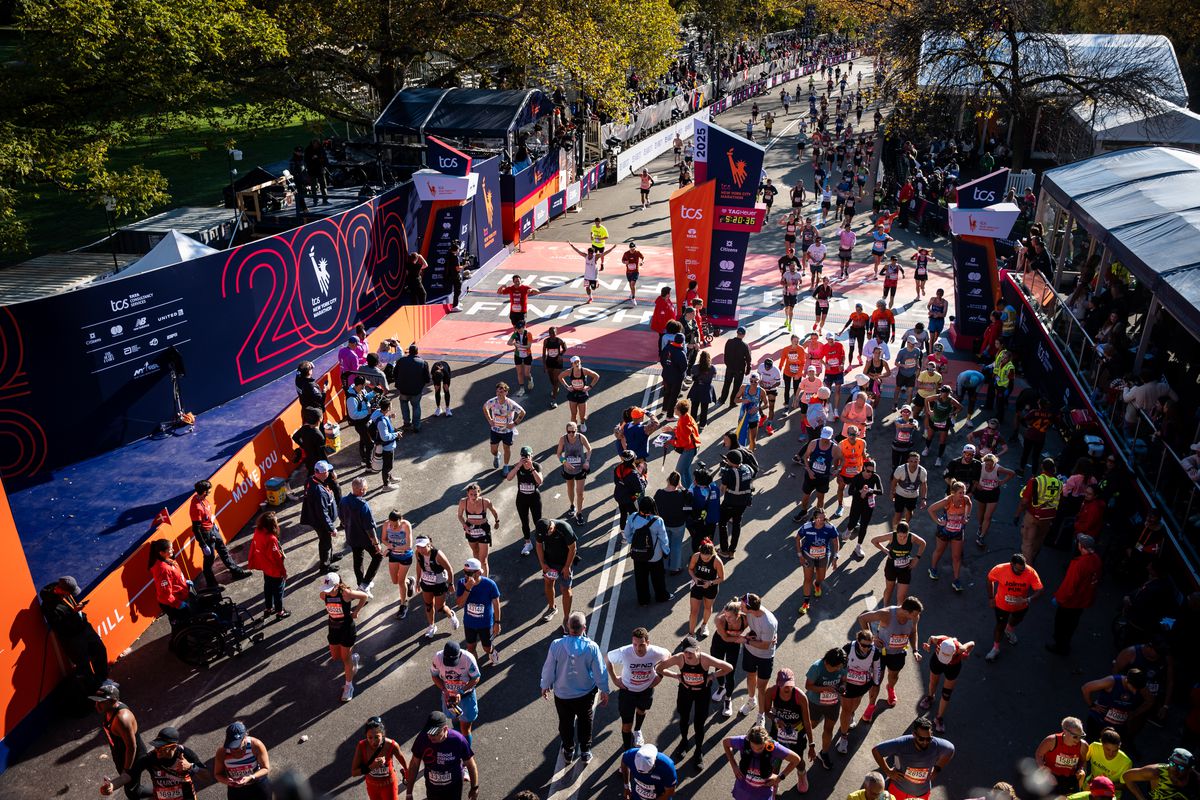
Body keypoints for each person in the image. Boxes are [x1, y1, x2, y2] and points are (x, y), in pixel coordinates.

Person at [540, 612, 610, 764]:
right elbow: (600, 671)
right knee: (585, 722)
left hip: (562, 695)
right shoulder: (591, 647)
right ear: (584, 628)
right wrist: (604, 690)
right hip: (585, 694)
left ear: (568, 626)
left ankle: (568, 751)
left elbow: (549, 668)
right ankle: (585, 752)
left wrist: (545, 685)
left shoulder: (556, 645)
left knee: (565, 723)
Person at [657, 638, 732, 769]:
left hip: (702, 693)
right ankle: (684, 742)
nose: (688, 655)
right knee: (684, 719)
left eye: (691, 651)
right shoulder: (679, 658)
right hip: (685, 692)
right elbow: (659, 668)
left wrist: (712, 676)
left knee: (699, 723)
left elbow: (728, 667)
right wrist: (676, 676)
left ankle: (698, 750)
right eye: (686, 652)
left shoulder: (705, 659)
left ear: (698, 650)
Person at [100, 726, 209, 799]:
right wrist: (112, 785)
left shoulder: (186, 754)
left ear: (173, 747)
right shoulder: (151, 757)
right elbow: (128, 775)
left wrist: (191, 767)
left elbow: (207, 777)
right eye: (156, 746)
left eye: (162, 747)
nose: (157, 750)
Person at [41, 575, 109, 692]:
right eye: (70, 592)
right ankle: (94, 691)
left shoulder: (66, 593)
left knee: (100, 650)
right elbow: (59, 626)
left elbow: (71, 607)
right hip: (72, 638)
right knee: (83, 665)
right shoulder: (48, 606)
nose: (71, 595)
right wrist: (73, 613)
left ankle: (103, 680)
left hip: (84, 627)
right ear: (61, 590)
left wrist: (78, 612)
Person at [858, 597, 924, 715]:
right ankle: (871, 705)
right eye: (914, 614)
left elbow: (913, 632)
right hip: (881, 653)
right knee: (877, 680)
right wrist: (872, 638)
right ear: (906, 611)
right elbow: (862, 618)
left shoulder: (915, 617)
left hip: (898, 653)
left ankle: (890, 688)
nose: (916, 617)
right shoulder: (886, 614)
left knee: (894, 675)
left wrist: (915, 650)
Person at [90, 681, 149, 800]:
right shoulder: (109, 709)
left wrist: (126, 770)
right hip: (120, 755)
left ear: (113, 701)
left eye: (101, 702)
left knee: (133, 792)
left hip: (132, 758)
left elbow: (131, 747)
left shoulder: (122, 719)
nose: (96, 705)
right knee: (132, 789)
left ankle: (163, 791)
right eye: (96, 701)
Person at [870, 717, 955, 800]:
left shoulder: (936, 745)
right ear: (914, 734)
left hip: (921, 795)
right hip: (897, 791)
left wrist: (937, 769)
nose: (925, 742)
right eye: (921, 739)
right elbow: (876, 751)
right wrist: (888, 772)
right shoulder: (902, 743)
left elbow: (950, 749)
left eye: (928, 739)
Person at [1047, 534, 1103, 655]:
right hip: (1082, 601)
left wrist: (1059, 598)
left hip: (1070, 602)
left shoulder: (1078, 564)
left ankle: (1060, 645)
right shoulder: (1096, 559)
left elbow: (1070, 585)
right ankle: (1066, 643)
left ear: (1081, 546)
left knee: (1061, 624)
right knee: (1072, 624)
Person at [190, 480, 251, 587]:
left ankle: (236, 572)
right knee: (209, 561)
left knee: (224, 551)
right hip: (206, 535)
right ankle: (212, 584)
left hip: (212, 529)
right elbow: (196, 529)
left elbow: (207, 515)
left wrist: (213, 523)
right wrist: (203, 545)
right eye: (209, 490)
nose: (210, 492)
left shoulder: (203, 499)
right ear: (204, 492)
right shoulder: (196, 507)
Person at [406, 711, 478, 800]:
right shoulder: (422, 738)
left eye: (435, 733)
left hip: (453, 790)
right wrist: (409, 793)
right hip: (432, 790)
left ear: (445, 729)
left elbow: (471, 765)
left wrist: (474, 788)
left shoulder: (458, 740)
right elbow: (414, 764)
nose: (430, 736)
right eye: (429, 732)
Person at [985, 553, 1043, 662]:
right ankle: (995, 648)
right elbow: (989, 580)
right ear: (1011, 564)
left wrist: (1027, 600)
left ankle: (1009, 629)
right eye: (1018, 570)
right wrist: (991, 598)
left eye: (1023, 569)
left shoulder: (1030, 572)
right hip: (1002, 605)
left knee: (1017, 620)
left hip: (1021, 606)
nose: (1021, 572)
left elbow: (1040, 590)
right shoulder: (1000, 569)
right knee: (1000, 626)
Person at [320, 572, 368, 702]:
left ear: (337, 586)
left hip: (347, 629)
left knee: (345, 658)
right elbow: (327, 601)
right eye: (326, 589)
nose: (327, 592)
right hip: (333, 628)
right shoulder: (324, 594)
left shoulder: (346, 593)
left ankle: (349, 686)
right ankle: (353, 660)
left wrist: (356, 612)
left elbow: (364, 596)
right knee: (336, 656)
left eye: (330, 589)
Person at [723, 724, 802, 800]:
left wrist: (779, 778)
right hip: (743, 789)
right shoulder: (743, 741)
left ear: (766, 742)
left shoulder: (773, 747)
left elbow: (796, 759)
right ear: (749, 740)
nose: (756, 751)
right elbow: (725, 743)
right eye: (752, 747)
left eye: (760, 748)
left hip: (763, 793)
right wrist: (734, 766)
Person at [836, 631, 884, 751]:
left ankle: (851, 715)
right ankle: (843, 737)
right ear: (858, 641)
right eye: (864, 645)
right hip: (847, 684)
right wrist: (840, 681)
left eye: (869, 645)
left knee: (854, 705)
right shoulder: (848, 648)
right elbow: (840, 665)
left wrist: (876, 684)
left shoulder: (875, 652)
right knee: (846, 710)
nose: (866, 648)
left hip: (863, 685)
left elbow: (877, 668)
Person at [918, 636, 974, 733]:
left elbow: (972, 643)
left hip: (953, 667)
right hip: (937, 662)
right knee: (933, 682)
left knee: (946, 693)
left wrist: (967, 653)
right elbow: (931, 638)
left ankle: (938, 718)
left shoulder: (960, 648)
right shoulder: (939, 640)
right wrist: (928, 645)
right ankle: (930, 697)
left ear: (954, 652)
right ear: (940, 646)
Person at [925, 481, 972, 592]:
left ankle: (956, 580)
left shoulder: (966, 499)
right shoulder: (947, 501)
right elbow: (930, 509)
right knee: (939, 551)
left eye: (964, 492)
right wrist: (938, 521)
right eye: (960, 493)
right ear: (953, 493)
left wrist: (966, 517)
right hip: (944, 531)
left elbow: (969, 505)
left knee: (956, 557)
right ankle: (933, 569)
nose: (962, 495)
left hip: (958, 531)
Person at [806, 648, 849, 769]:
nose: (839, 669)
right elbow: (808, 686)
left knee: (829, 729)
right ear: (827, 662)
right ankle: (796, 740)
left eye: (840, 667)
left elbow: (844, 680)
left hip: (833, 704)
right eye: (836, 667)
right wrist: (825, 689)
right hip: (815, 704)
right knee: (812, 725)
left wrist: (843, 687)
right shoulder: (816, 667)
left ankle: (824, 753)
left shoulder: (842, 665)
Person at [739, 593, 779, 721]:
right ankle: (751, 701)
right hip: (750, 652)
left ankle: (761, 715)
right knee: (750, 676)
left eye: (742, 606)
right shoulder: (750, 610)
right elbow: (732, 608)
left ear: (750, 609)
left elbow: (765, 646)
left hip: (764, 657)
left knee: (761, 688)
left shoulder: (768, 623)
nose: (740, 607)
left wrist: (746, 640)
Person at [1014, 457, 1063, 563]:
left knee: (1027, 542)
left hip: (1033, 516)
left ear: (1042, 467)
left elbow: (1024, 502)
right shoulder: (1059, 483)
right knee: (1038, 540)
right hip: (1048, 517)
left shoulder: (1035, 481)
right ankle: (1033, 556)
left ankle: (1028, 565)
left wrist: (1017, 515)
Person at [431, 640, 482, 741]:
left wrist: (461, 692)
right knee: (454, 718)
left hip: (466, 696)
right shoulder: (437, 657)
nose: (451, 665)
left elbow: (476, 678)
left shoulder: (468, 658)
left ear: (459, 655)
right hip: (448, 697)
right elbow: (434, 676)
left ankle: (466, 749)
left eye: (453, 662)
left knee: (465, 728)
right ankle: (458, 736)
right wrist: (444, 690)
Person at [624, 495, 671, 605]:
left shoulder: (633, 517)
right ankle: (661, 596)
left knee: (640, 578)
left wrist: (633, 541)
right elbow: (663, 539)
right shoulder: (658, 521)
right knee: (658, 578)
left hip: (638, 554)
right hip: (655, 555)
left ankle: (643, 600)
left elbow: (627, 533)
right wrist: (666, 551)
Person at [796, 508, 842, 617]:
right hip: (808, 556)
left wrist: (835, 557)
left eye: (823, 518)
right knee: (807, 579)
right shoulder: (807, 527)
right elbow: (797, 538)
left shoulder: (830, 528)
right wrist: (800, 555)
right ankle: (806, 603)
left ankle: (816, 584)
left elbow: (836, 541)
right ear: (814, 518)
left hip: (823, 557)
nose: (821, 521)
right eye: (819, 518)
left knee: (821, 578)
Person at [1082, 670, 1152, 741]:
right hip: (1098, 721)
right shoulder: (1111, 681)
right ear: (1127, 681)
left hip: (1118, 727)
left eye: (1137, 689)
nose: (1135, 691)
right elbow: (1086, 688)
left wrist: (1135, 713)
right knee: (1092, 743)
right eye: (1133, 687)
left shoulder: (1139, 685)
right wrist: (1092, 705)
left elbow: (1149, 701)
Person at [340, 477, 381, 597]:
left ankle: (360, 584)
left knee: (358, 560)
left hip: (352, 537)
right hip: (365, 539)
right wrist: (376, 543)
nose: (366, 489)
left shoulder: (343, 501)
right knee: (378, 556)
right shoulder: (363, 505)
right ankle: (365, 583)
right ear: (361, 490)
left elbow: (342, 519)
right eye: (366, 488)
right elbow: (369, 528)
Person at [535, 517, 578, 629]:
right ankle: (552, 608)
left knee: (565, 589)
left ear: (551, 527)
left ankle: (567, 618)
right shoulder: (541, 530)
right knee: (548, 583)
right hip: (550, 562)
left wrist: (567, 567)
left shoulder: (564, 528)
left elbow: (573, 548)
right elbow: (538, 545)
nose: (546, 536)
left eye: (548, 532)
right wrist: (542, 563)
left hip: (565, 562)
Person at [350, 716, 407, 800]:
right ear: (366, 736)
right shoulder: (361, 746)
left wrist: (407, 771)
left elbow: (401, 758)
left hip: (389, 786)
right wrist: (372, 767)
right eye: (370, 737)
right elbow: (354, 772)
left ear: (382, 735)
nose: (373, 741)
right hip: (372, 787)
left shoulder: (391, 745)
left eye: (377, 737)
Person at [413, 536, 458, 638]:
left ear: (429, 545)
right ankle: (432, 626)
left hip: (439, 583)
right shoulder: (418, 553)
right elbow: (419, 565)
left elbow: (449, 569)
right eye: (418, 547)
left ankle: (451, 615)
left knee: (440, 608)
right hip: (426, 582)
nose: (420, 549)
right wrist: (418, 580)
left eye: (423, 547)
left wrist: (451, 584)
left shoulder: (438, 555)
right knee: (428, 605)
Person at [872, 521, 926, 606]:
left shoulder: (912, 537)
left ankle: (899, 611)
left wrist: (917, 558)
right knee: (889, 589)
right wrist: (885, 550)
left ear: (908, 532)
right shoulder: (891, 536)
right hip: (891, 567)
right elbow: (874, 540)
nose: (902, 538)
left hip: (905, 568)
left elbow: (923, 543)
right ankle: (885, 607)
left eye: (905, 536)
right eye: (900, 536)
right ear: (896, 532)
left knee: (902, 596)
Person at [213, 721, 271, 800]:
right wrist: (228, 781)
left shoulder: (256, 745)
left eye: (237, 744)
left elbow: (265, 768)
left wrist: (251, 777)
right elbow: (217, 774)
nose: (234, 748)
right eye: (231, 744)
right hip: (236, 790)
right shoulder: (222, 751)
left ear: (245, 736)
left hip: (258, 785)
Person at [1034, 717, 1089, 795]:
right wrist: (1045, 772)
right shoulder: (1051, 741)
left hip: (1071, 778)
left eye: (1081, 736)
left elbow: (1083, 761)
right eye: (1075, 736)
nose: (1078, 740)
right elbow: (1039, 755)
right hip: (1052, 777)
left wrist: (1081, 770)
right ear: (1065, 731)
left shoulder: (1083, 745)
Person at [972, 452, 1014, 548]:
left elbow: (1012, 473)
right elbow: (972, 476)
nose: (988, 467)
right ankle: (980, 526)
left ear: (995, 463)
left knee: (988, 516)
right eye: (987, 464)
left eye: (991, 465)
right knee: (981, 512)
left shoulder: (998, 468)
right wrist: (976, 484)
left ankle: (981, 537)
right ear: (984, 462)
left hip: (993, 493)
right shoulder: (980, 466)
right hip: (981, 492)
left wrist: (1002, 482)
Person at [483, 382, 526, 476]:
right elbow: (485, 407)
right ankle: (497, 455)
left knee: (506, 448)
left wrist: (514, 423)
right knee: (493, 450)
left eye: (502, 392)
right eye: (498, 391)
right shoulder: (492, 402)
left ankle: (506, 466)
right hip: (495, 430)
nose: (499, 394)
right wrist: (489, 419)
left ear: (506, 392)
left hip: (507, 432)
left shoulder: (511, 403)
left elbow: (522, 412)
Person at [719, 449, 755, 558]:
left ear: (731, 461)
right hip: (743, 503)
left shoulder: (729, 473)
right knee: (736, 524)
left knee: (722, 523)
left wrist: (725, 474)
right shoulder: (748, 468)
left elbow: (722, 489)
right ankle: (732, 551)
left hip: (730, 502)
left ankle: (724, 550)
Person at [1122, 749, 1199, 800]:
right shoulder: (1155, 772)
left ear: (1190, 769)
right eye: (1172, 764)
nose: (1174, 770)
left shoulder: (1196, 780)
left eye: (1180, 767)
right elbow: (1127, 776)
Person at [556, 422, 593, 525]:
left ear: (577, 430)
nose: (572, 433)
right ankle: (572, 505)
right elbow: (558, 454)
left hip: (580, 469)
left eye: (574, 431)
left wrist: (587, 461)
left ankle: (579, 513)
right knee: (570, 488)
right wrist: (565, 462)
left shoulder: (581, 437)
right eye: (569, 432)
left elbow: (589, 449)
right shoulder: (563, 439)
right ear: (566, 431)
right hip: (568, 469)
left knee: (580, 492)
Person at [687, 538, 725, 638]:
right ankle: (691, 633)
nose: (704, 560)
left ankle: (704, 625)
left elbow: (722, 578)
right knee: (693, 611)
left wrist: (710, 583)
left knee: (707, 607)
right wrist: (695, 578)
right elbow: (690, 569)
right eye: (702, 557)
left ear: (712, 554)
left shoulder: (717, 561)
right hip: (697, 586)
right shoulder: (696, 556)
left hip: (711, 588)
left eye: (707, 559)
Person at [149, 540, 193, 625]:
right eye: (170, 549)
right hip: (173, 604)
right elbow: (165, 594)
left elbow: (176, 577)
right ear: (162, 553)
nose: (173, 550)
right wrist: (178, 604)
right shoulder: (163, 570)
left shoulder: (168, 560)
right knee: (182, 625)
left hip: (179, 597)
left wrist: (185, 581)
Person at [381, 510, 415, 619]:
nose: (393, 527)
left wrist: (392, 548)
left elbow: (408, 546)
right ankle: (409, 581)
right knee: (395, 581)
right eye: (391, 524)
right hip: (393, 556)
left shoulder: (406, 525)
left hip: (405, 556)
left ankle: (403, 605)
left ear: (401, 519)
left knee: (400, 582)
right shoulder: (386, 524)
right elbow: (383, 539)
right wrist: (389, 546)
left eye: (395, 525)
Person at [392, 345, 431, 431]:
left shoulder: (401, 361)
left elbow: (394, 374)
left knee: (404, 406)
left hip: (403, 390)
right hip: (416, 391)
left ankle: (406, 424)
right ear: (417, 352)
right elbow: (427, 379)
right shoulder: (423, 363)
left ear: (409, 351)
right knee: (416, 406)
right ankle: (416, 426)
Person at [1083, 729, 1133, 797]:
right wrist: (1083, 771)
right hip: (1091, 782)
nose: (1111, 754)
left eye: (1115, 750)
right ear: (1101, 743)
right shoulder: (1094, 746)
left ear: (1119, 746)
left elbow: (1123, 785)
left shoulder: (1126, 762)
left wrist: (1102, 786)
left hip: (1111, 790)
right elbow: (1083, 759)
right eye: (1108, 749)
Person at [559, 355, 599, 431]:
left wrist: (589, 387)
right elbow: (560, 377)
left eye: (578, 362)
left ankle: (582, 423)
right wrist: (567, 387)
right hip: (573, 394)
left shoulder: (584, 371)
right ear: (572, 364)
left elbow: (596, 376)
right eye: (575, 363)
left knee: (582, 416)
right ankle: (573, 429)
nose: (577, 364)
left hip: (582, 394)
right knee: (573, 414)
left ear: (580, 362)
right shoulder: (569, 371)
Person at [369, 398, 401, 488]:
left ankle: (390, 478)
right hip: (387, 447)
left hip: (387, 445)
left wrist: (390, 417)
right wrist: (396, 434)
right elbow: (385, 437)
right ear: (388, 408)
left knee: (389, 465)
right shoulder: (382, 421)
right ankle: (386, 485)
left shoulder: (378, 412)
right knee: (387, 466)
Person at [891, 452, 929, 527]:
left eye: (916, 461)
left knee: (910, 512)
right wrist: (892, 492)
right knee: (898, 513)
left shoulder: (922, 471)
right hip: (900, 494)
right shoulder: (900, 469)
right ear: (908, 460)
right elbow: (894, 481)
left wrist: (923, 499)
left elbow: (924, 485)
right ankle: (895, 530)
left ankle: (905, 527)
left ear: (919, 461)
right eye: (911, 461)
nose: (913, 463)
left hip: (913, 496)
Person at [721, 328, 754, 406]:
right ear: (744, 335)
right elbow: (748, 359)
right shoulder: (745, 346)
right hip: (739, 369)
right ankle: (732, 402)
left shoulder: (729, 342)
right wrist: (748, 369)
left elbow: (726, 354)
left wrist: (727, 364)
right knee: (736, 386)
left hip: (730, 367)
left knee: (726, 384)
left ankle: (722, 399)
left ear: (737, 333)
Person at [689, 350, 718, 430]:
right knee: (704, 408)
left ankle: (692, 424)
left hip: (696, 389)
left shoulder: (695, 367)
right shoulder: (712, 368)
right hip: (706, 390)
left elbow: (692, 376)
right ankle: (702, 424)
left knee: (694, 408)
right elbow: (714, 376)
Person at [506, 320, 536, 397]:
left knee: (526, 373)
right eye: (517, 328)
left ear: (524, 327)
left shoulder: (528, 334)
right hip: (517, 355)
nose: (519, 330)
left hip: (527, 355)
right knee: (519, 372)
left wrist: (520, 346)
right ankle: (522, 389)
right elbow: (508, 343)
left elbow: (529, 346)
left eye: (520, 328)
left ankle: (530, 379)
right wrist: (514, 344)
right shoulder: (515, 334)